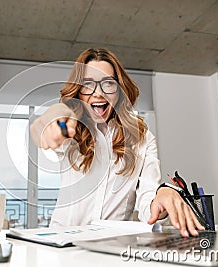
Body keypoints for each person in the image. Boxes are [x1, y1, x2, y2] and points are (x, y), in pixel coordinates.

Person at [30, 48, 204, 237]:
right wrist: (51, 118)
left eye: (108, 83)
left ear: (120, 90)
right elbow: (46, 126)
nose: (98, 94)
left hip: (113, 246)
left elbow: (148, 203)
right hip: (63, 244)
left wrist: (161, 197)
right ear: (78, 91)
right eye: (88, 84)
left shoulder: (143, 139)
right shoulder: (71, 130)